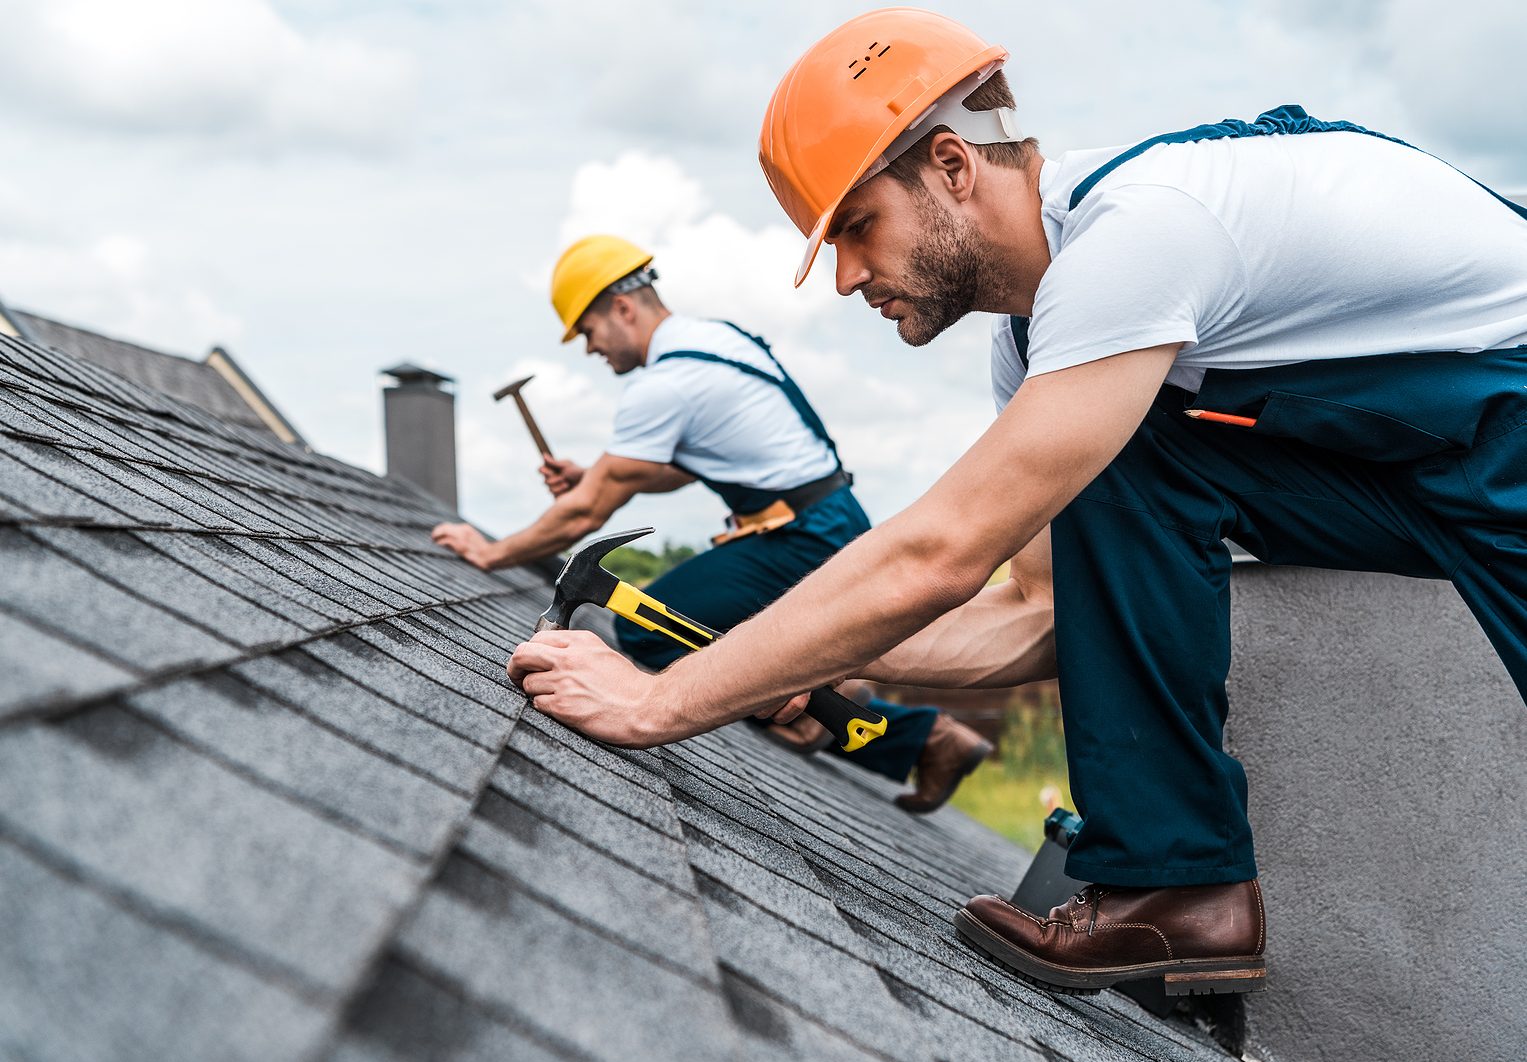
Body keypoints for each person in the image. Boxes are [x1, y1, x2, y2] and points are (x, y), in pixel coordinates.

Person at [507, 8, 1527, 997]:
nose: (849, 278)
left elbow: (939, 555)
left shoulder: (1138, 235)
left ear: (952, 166)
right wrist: (831, 658)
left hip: (1500, 422)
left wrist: (660, 698)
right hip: (1421, 462)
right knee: (1128, 453)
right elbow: (1039, 615)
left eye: (859, 227)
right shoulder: (1048, 348)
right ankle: (1181, 887)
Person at [433, 233, 996, 811]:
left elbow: (587, 511)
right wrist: (596, 474)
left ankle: (888, 729)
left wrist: (491, 551)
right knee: (748, 653)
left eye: (588, 331)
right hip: (824, 521)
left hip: (800, 537)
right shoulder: (715, 341)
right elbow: (674, 470)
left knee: (642, 633)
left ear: (622, 308)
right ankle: (904, 733)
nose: (590, 349)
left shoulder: (666, 382)